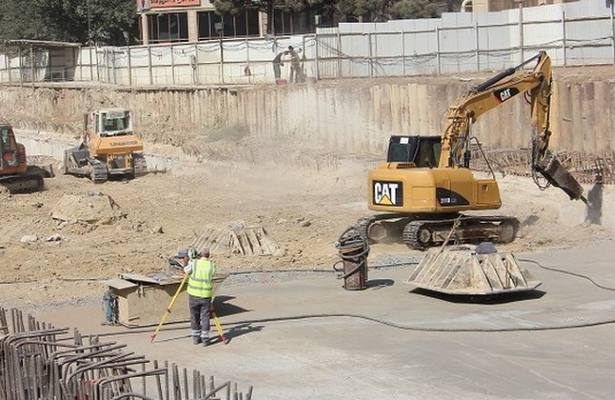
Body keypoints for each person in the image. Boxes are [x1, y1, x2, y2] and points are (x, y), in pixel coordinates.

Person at [183, 248, 215, 346]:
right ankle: (205, 339)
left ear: (200, 255)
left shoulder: (195, 263)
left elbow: (186, 271)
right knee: (205, 317)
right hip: (206, 296)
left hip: (193, 295)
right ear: (208, 256)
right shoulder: (211, 265)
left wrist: (186, 262)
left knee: (194, 316)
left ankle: (196, 338)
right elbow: (211, 274)